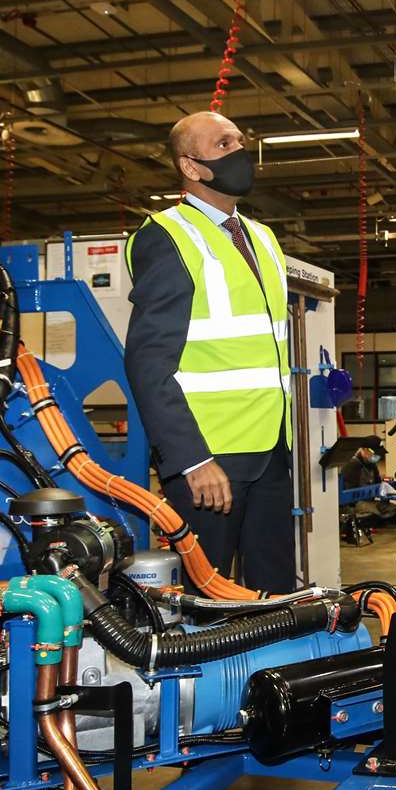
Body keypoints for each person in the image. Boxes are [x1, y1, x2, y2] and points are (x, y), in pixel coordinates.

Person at [123, 111, 297, 594]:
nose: (241, 151)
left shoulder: (262, 237)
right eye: (223, 144)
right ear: (192, 166)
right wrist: (190, 459)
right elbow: (148, 361)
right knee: (207, 601)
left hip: (270, 451)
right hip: (210, 460)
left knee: (275, 595)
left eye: (241, 139)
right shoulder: (166, 235)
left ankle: (267, 673)